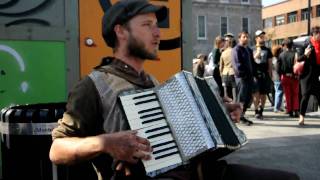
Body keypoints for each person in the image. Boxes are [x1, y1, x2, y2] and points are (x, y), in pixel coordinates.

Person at [49, 1, 299, 180]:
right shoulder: (93, 85)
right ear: (120, 31)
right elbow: (57, 150)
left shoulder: (154, 82)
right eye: (147, 25)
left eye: (156, 25)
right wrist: (104, 143)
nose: (158, 33)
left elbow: (186, 136)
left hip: (198, 171)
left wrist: (220, 113)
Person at [297, 26, 320, 125]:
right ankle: (301, 116)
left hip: (316, 75)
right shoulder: (306, 44)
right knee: (305, 96)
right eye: (318, 34)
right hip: (306, 76)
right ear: (314, 35)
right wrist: (305, 55)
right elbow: (298, 59)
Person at [231, 31, 255, 126]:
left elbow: (252, 63)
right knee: (241, 98)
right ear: (239, 38)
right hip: (241, 78)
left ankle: (242, 115)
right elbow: (237, 65)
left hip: (249, 78)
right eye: (244, 37)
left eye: (247, 37)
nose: (246, 38)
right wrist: (243, 75)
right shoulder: (236, 50)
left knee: (248, 98)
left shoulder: (248, 50)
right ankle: (238, 117)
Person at [252, 30, 273, 120]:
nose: (262, 38)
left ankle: (261, 110)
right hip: (255, 74)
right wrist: (256, 54)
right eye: (260, 37)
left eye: (263, 36)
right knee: (256, 94)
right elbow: (250, 62)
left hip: (265, 74)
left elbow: (270, 63)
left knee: (263, 94)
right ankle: (256, 110)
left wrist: (270, 75)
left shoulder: (267, 50)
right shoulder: (252, 49)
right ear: (256, 38)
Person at [278, 39, 299, 117]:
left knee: (287, 94)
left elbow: (278, 68)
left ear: (285, 46)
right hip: (294, 77)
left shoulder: (281, 55)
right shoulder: (295, 54)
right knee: (295, 94)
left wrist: (280, 75)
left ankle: (289, 110)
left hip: (285, 77)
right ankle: (296, 110)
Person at [220, 37, 237, 102]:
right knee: (234, 88)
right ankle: (234, 102)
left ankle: (227, 104)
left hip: (224, 73)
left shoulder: (223, 53)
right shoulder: (234, 51)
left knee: (226, 90)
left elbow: (221, 65)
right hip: (232, 72)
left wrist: (221, 73)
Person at [271, 45, 284, 113]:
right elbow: (278, 69)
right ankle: (277, 108)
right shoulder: (277, 59)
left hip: (274, 77)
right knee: (279, 92)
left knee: (277, 92)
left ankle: (278, 107)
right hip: (278, 78)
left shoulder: (273, 59)